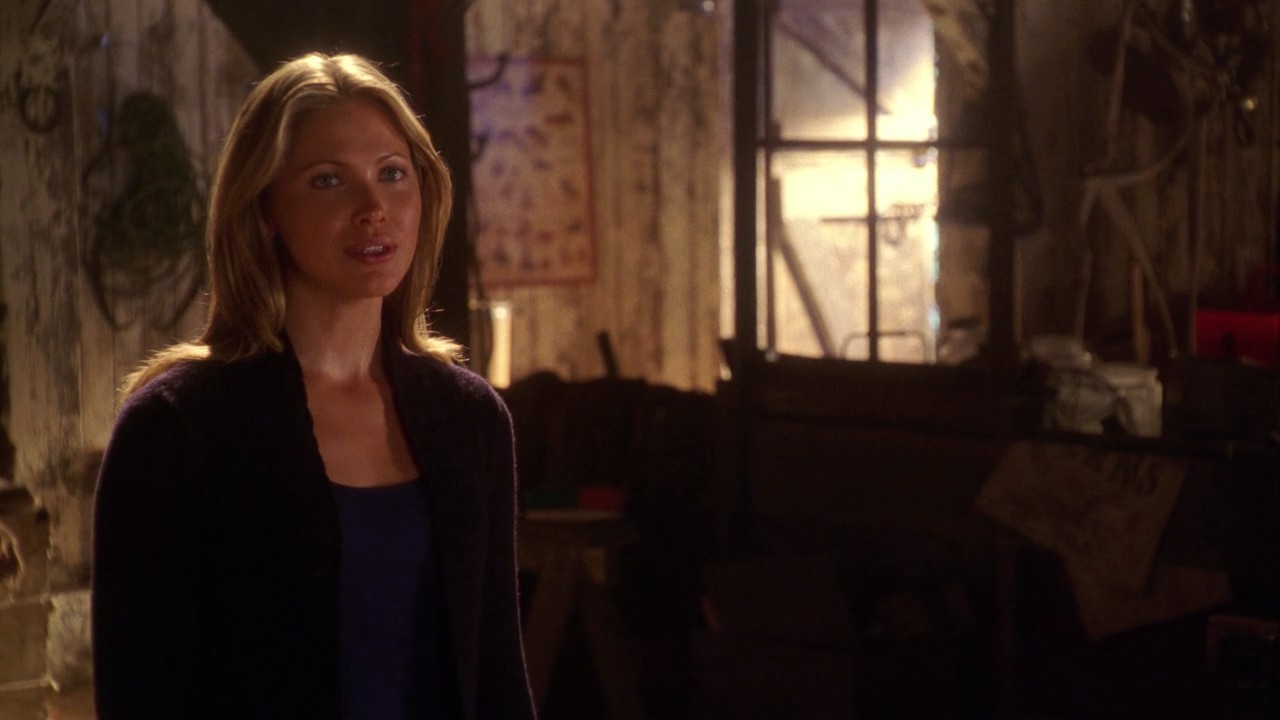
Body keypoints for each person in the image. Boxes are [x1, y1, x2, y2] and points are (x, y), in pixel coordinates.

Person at [91, 52, 536, 720]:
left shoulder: (470, 419)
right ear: (265, 207)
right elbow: (140, 692)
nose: (373, 209)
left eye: (392, 174)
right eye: (328, 181)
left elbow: (498, 676)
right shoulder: (180, 426)